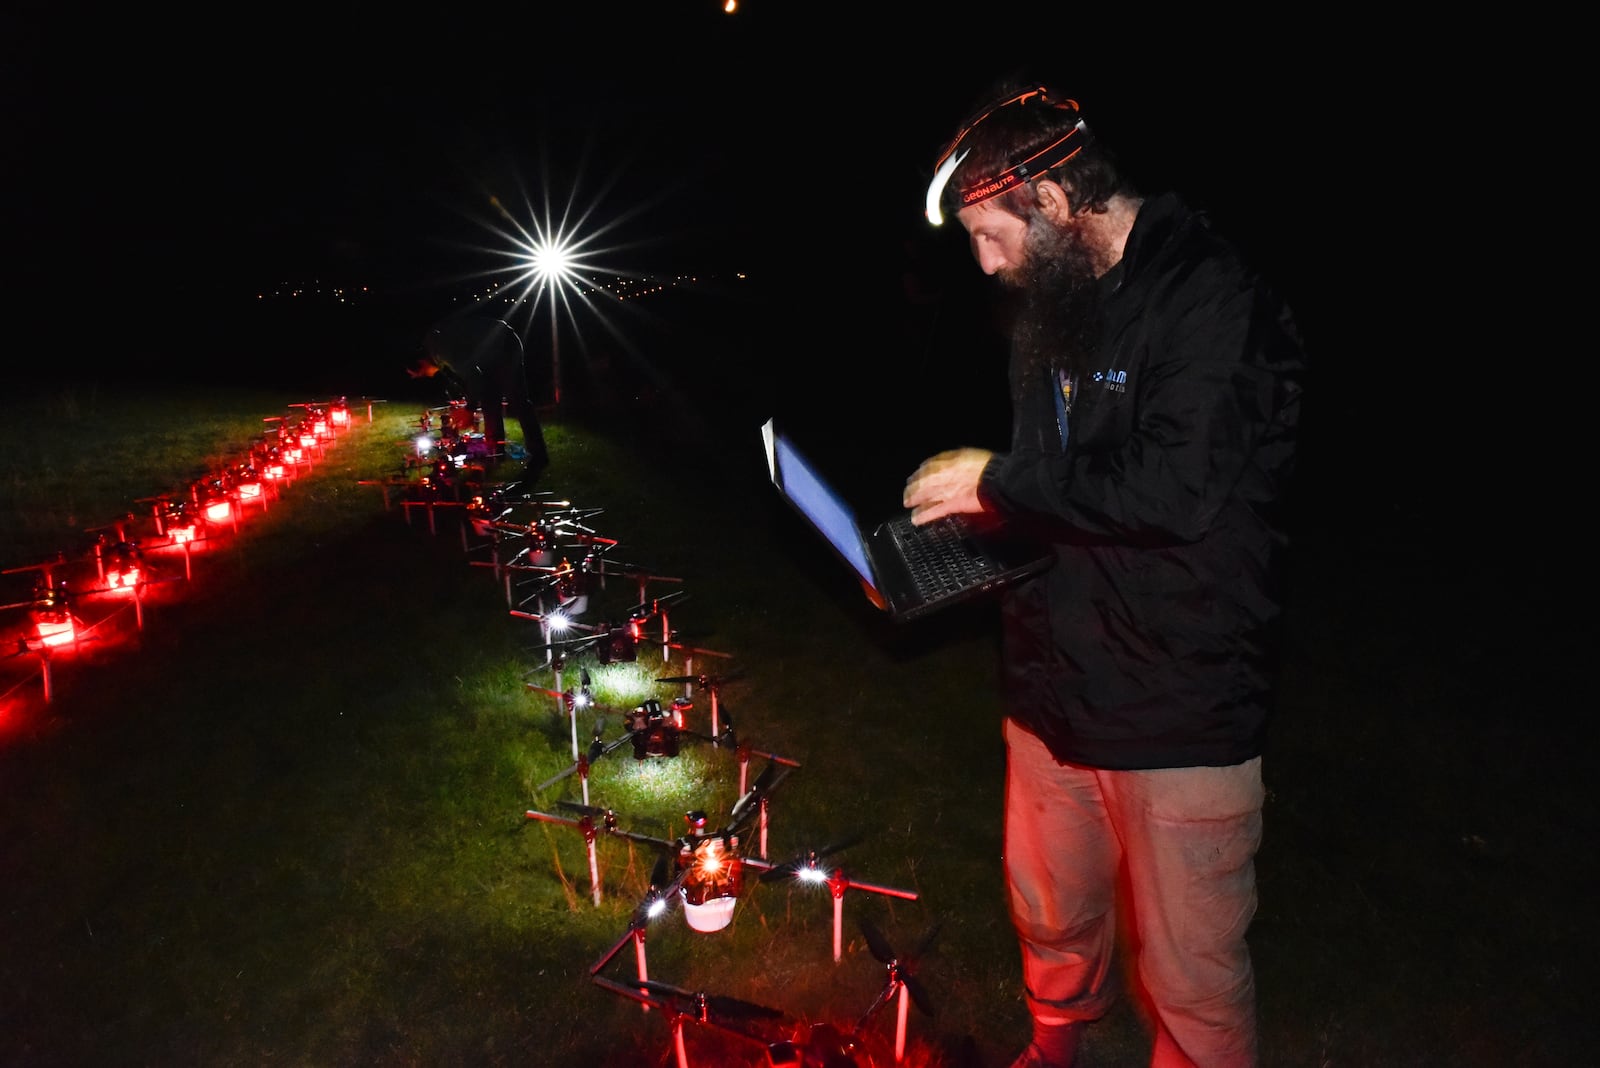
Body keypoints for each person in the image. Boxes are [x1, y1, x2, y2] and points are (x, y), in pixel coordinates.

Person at [902, 82, 1307, 1068]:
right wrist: (969, 541)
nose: (988, 267)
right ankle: (1054, 1049)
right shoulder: (1057, 304)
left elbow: (1172, 490)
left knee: (1189, 974)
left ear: (1047, 201)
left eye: (990, 237)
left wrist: (996, 478)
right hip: (1053, 686)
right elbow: (1061, 488)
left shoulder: (1214, 298)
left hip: (1175, 701)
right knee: (1051, 912)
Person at [408, 316, 550, 478]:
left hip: (504, 344)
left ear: (421, 362)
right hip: (487, 355)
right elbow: (468, 376)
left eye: (418, 373)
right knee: (489, 400)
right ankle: (495, 451)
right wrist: (470, 400)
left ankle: (539, 456)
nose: (423, 376)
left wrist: (470, 408)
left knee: (518, 399)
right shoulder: (435, 348)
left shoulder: (441, 350)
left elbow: (472, 375)